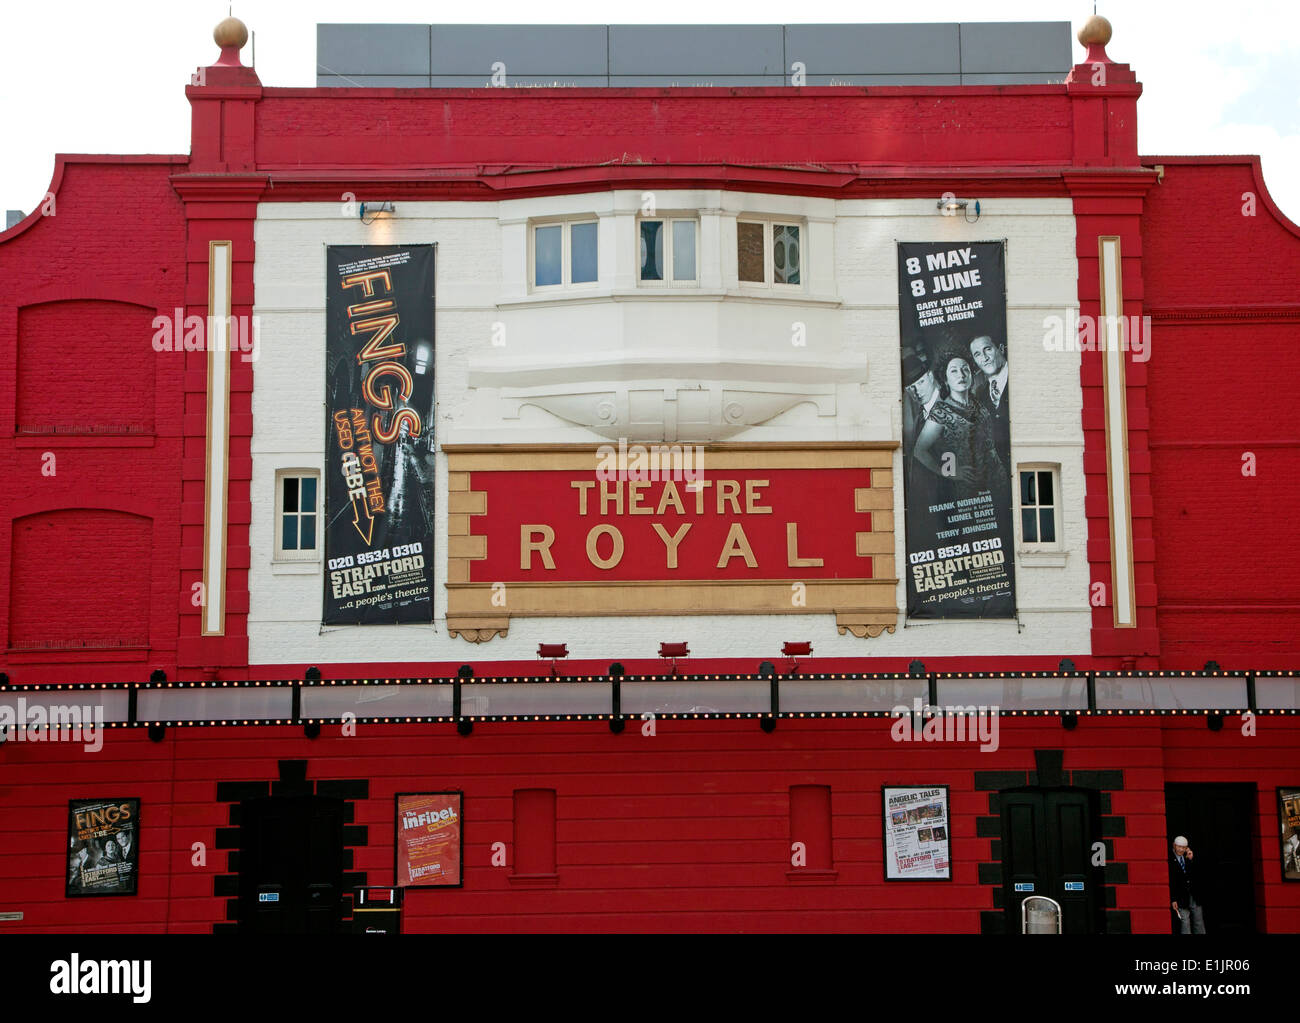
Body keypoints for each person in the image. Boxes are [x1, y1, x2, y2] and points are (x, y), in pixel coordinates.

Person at [913, 348, 1007, 503]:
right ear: (945, 379)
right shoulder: (940, 412)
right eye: (954, 371)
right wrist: (949, 473)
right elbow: (919, 450)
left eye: (965, 370)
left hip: (998, 480)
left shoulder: (979, 403)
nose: (961, 375)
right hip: (970, 490)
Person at [969, 335, 1011, 471]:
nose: (984, 358)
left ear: (1000, 349)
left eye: (987, 349)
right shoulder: (980, 395)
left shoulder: (1020, 377)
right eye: (977, 354)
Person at [1169, 835, 1206, 934]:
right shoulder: (1169, 859)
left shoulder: (1188, 857)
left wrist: (1191, 859)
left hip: (1194, 895)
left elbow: (1198, 875)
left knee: (1198, 921)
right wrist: (1173, 899)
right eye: (1179, 847)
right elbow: (1171, 881)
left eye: (1184, 847)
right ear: (1174, 845)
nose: (1181, 849)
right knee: (1185, 922)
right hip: (1180, 896)